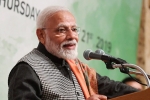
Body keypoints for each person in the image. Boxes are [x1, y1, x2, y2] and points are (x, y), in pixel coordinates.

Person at [8, 6, 138, 100]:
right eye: (62, 30)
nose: (72, 36)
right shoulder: (27, 69)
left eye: (74, 29)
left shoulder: (78, 68)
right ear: (41, 35)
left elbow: (113, 88)